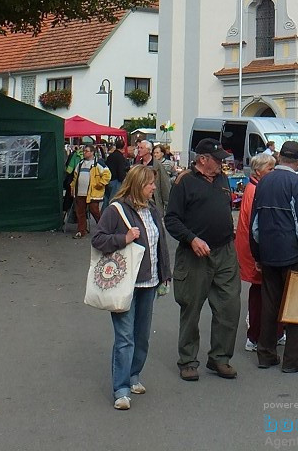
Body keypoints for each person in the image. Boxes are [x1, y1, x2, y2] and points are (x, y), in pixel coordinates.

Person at [91, 164, 171, 410]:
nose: (154, 188)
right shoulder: (116, 210)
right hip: (125, 283)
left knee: (142, 336)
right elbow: (97, 238)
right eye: (150, 184)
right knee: (125, 337)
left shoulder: (152, 210)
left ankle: (134, 375)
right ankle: (121, 389)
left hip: (149, 282)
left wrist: (164, 274)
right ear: (138, 185)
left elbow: (160, 244)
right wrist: (123, 238)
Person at [164, 138, 241, 381]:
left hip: (225, 251)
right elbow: (172, 220)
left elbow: (226, 207)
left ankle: (220, 358)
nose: (221, 163)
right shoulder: (184, 181)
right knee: (191, 306)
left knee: (229, 306)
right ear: (202, 159)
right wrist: (192, 239)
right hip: (195, 253)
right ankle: (187, 360)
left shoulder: (221, 178)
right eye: (217, 159)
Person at [250, 140, 298, 373]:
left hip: (268, 251)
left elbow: (255, 224)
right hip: (291, 253)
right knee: (295, 305)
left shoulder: (264, 181)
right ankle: (293, 358)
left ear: (279, 158)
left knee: (270, 304)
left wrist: (257, 254)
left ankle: (266, 354)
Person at [235, 152, 277, 351]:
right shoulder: (255, 191)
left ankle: (264, 332)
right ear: (259, 172)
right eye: (270, 169)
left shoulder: (253, 187)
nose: (273, 172)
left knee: (261, 291)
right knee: (260, 292)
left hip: (250, 248)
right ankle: (255, 335)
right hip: (254, 250)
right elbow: (256, 226)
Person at [71, 144, 111, 238]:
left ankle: (104, 229)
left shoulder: (98, 164)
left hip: (93, 193)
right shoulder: (80, 163)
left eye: (86, 151)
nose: (84, 153)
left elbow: (107, 174)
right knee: (80, 212)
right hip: (80, 193)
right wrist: (73, 187)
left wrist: (100, 184)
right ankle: (81, 231)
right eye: (84, 151)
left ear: (92, 152)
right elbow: (75, 177)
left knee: (95, 211)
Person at [105, 136, 129, 206]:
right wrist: (124, 181)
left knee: (107, 200)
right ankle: (111, 215)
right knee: (114, 201)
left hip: (108, 180)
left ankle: (103, 215)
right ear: (123, 147)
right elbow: (121, 170)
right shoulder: (120, 157)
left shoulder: (110, 156)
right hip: (116, 181)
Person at [151, 145, 172, 216]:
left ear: (162, 153)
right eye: (154, 153)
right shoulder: (153, 164)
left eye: (157, 152)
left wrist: (169, 180)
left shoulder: (169, 163)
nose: (155, 154)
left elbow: (174, 175)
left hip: (165, 187)